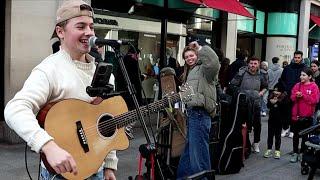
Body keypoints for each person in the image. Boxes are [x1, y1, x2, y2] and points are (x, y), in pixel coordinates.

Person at [4, 1, 117, 179]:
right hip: (61, 175)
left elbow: (106, 121)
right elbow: (15, 109)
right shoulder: (49, 70)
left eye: (91, 27)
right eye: (80, 26)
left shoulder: (104, 73)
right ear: (60, 32)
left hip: (97, 170)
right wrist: (47, 145)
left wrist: (110, 164)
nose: (88, 32)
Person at [177, 41, 220, 178]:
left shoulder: (204, 69)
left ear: (197, 55)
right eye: (186, 57)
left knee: (198, 155)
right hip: (193, 114)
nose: (189, 58)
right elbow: (188, 95)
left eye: (192, 55)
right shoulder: (189, 72)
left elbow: (214, 62)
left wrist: (200, 48)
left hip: (201, 114)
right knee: (190, 153)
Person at [230, 57, 268, 153]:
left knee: (257, 124)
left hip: (256, 103)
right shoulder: (242, 73)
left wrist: (261, 93)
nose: (253, 65)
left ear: (258, 64)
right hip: (243, 104)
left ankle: (256, 143)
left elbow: (265, 87)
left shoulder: (262, 74)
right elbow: (233, 85)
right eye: (251, 63)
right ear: (248, 64)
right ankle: (245, 143)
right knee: (243, 124)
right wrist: (240, 93)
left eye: (255, 63)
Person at [290, 68, 319, 163]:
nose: (301, 77)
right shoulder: (297, 85)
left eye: (303, 75)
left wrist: (303, 96)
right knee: (295, 136)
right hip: (296, 116)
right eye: (301, 75)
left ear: (309, 77)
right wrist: (296, 96)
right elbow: (292, 98)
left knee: (305, 137)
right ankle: (295, 153)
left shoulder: (314, 87)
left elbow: (315, 100)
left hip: (307, 117)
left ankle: (303, 153)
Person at [278, 51, 306, 138]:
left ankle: (293, 130)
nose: (297, 59)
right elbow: (282, 80)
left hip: (299, 94)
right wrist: (285, 90)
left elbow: (306, 81)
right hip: (287, 94)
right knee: (286, 112)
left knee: (296, 113)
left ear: (301, 58)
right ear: (293, 57)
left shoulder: (304, 68)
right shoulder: (288, 68)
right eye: (295, 57)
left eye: (298, 57)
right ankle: (285, 128)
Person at [263, 86, 288, 159]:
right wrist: (271, 102)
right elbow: (268, 106)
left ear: (281, 92)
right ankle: (269, 149)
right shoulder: (271, 96)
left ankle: (277, 150)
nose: (276, 93)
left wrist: (277, 102)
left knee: (278, 136)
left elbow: (285, 107)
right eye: (275, 91)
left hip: (279, 120)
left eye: (278, 91)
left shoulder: (284, 98)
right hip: (271, 119)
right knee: (270, 135)